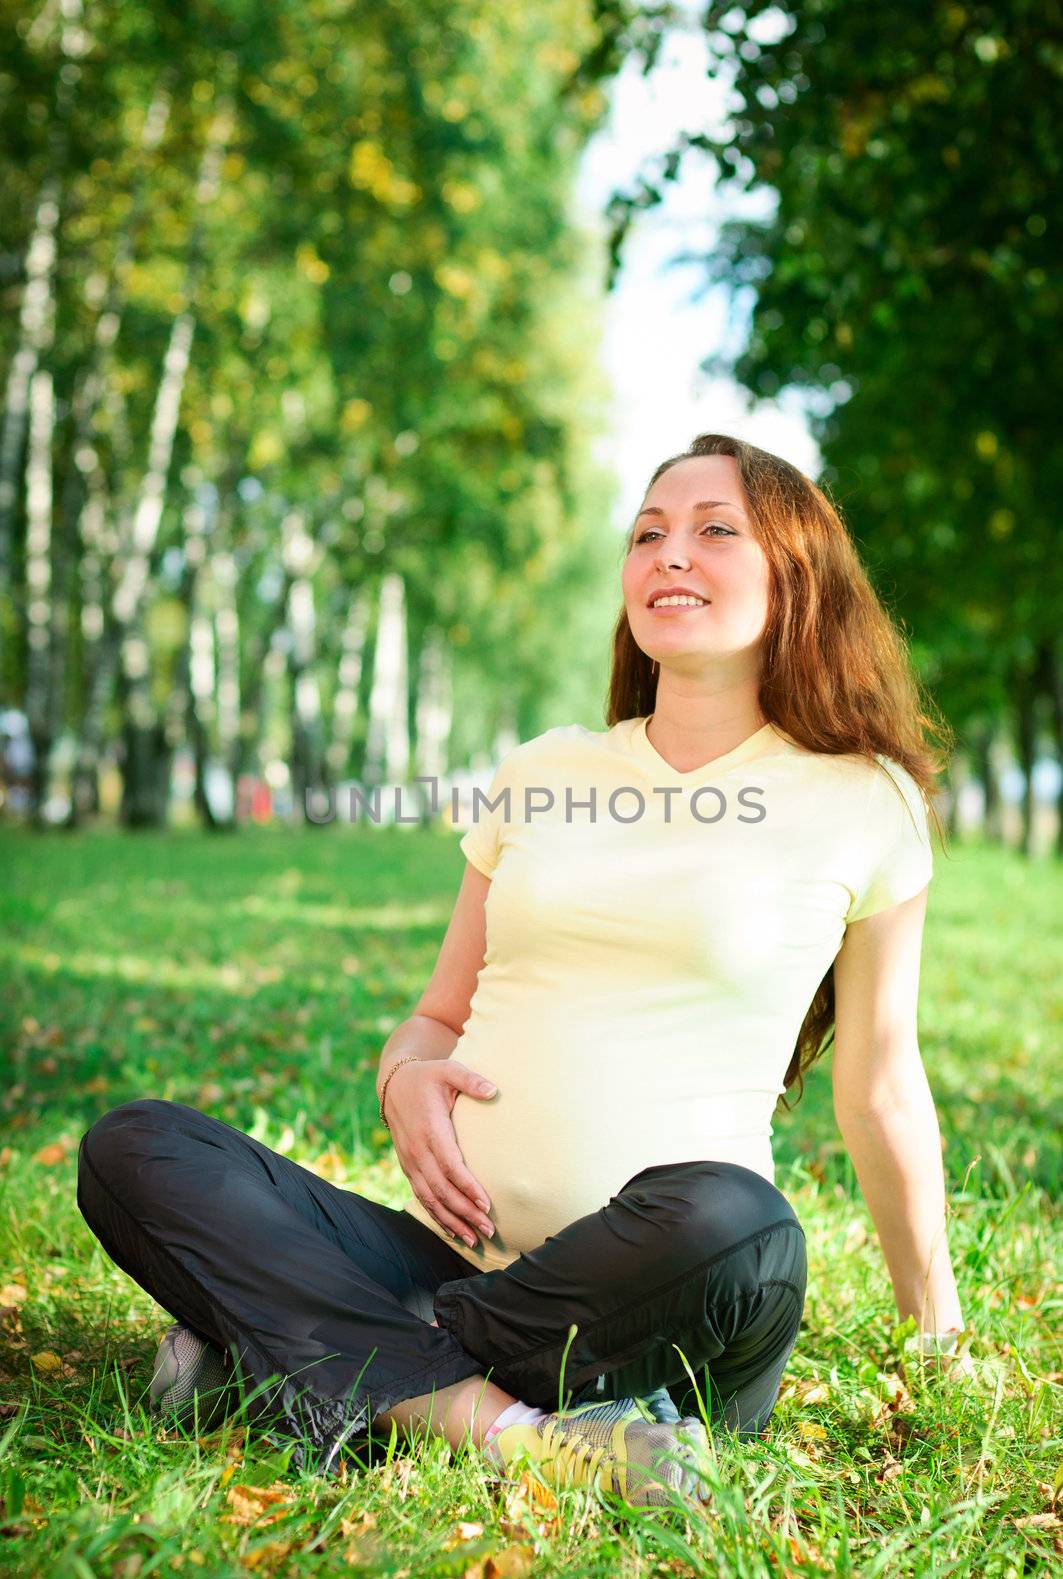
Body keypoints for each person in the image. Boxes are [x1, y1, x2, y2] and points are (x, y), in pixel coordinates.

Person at [77, 433, 967, 1511]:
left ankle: (288, 1350)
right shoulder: (543, 772)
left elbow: (879, 1083)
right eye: (647, 533)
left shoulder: (863, 799)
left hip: (671, 1302)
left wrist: (937, 1332)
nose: (668, 554)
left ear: (798, 575)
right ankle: (515, 1434)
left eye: (713, 530)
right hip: (458, 1267)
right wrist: (403, 1076)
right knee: (137, 1145)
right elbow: (435, 1017)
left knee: (740, 1219)